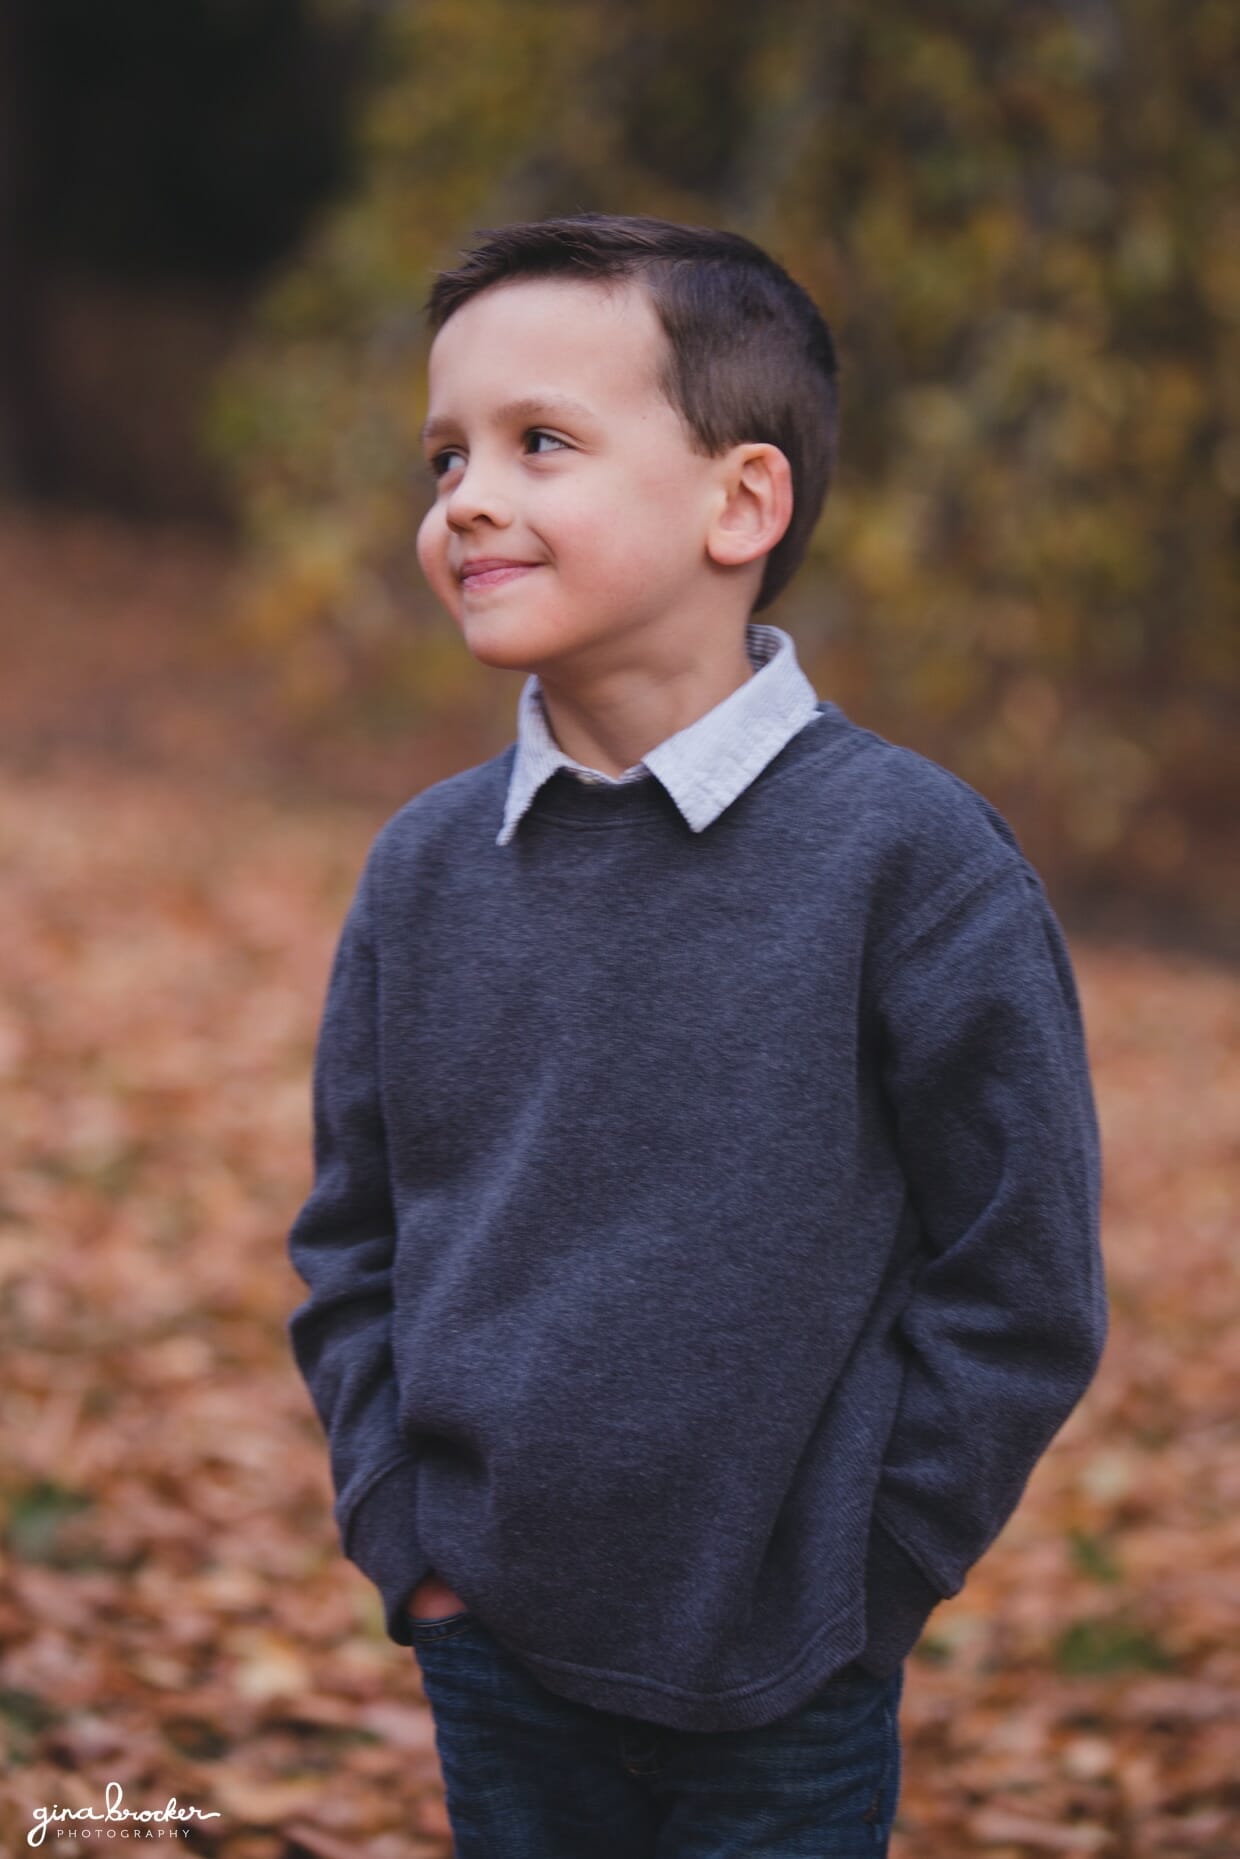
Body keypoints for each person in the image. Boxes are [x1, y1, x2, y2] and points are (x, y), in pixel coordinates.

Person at [285, 212, 1108, 1857]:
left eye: (540, 442)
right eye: (445, 457)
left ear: (742, 502)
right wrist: (409, 1541)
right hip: (488, 1642)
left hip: (789, 1680)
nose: (467, 499)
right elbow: (354, 1240)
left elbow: (1021, 1280)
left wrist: (870, 1579)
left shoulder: (909, 862)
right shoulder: (425, 870)